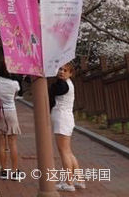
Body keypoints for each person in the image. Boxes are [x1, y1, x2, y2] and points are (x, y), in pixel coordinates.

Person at [49, 62, 84, 191]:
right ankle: (78, 180)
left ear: (70, 73)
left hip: (62, 120)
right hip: (66, 119)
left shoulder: (63, 85)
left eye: (65, 70)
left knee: (64, 152)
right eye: (60, 69)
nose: (61, 72)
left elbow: (53, 91)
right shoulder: (68, 84)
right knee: (68, 151)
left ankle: (68, 183)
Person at [0, 62, 22, 180]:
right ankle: (14, 171)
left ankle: (4, 171)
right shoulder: (15, 84)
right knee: (12, 143)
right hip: (11, 113)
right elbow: (14, 96)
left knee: (1, 143)